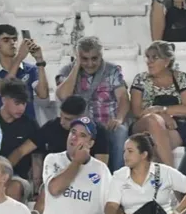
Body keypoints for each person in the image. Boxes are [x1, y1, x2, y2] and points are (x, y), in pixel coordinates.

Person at [55, 36, 131, 173]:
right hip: (80, 125)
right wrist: (77, 66)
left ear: (101, 56)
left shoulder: (112, 70)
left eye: (94, 58)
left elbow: (123, 98)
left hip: (108, 123)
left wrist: (119, 119)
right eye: (84, 59)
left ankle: (118, 177)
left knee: (121, 131)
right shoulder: (67, 71)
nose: (90, 63)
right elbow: (63, 96)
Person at [130, 41, 186, 166]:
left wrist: (162, 109)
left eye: (154, 57)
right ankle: (171, 174)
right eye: (148, 57)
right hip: (144, 124)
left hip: (177, 126)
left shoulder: (181, 78)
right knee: (154, 120)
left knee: (153, 144)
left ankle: (160, 177)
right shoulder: (140, 79)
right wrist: (162, 116)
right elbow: (137, 112)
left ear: (167, 61)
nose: (149, 61)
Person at [0, 24, 47, 119]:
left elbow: (43, 94)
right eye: (6, 40)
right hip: (0, 126)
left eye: (14, 39)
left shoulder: (30, 69)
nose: (12, 43)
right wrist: (19, 57)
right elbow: (3, 90)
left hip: (26, 126)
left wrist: (40, 61)